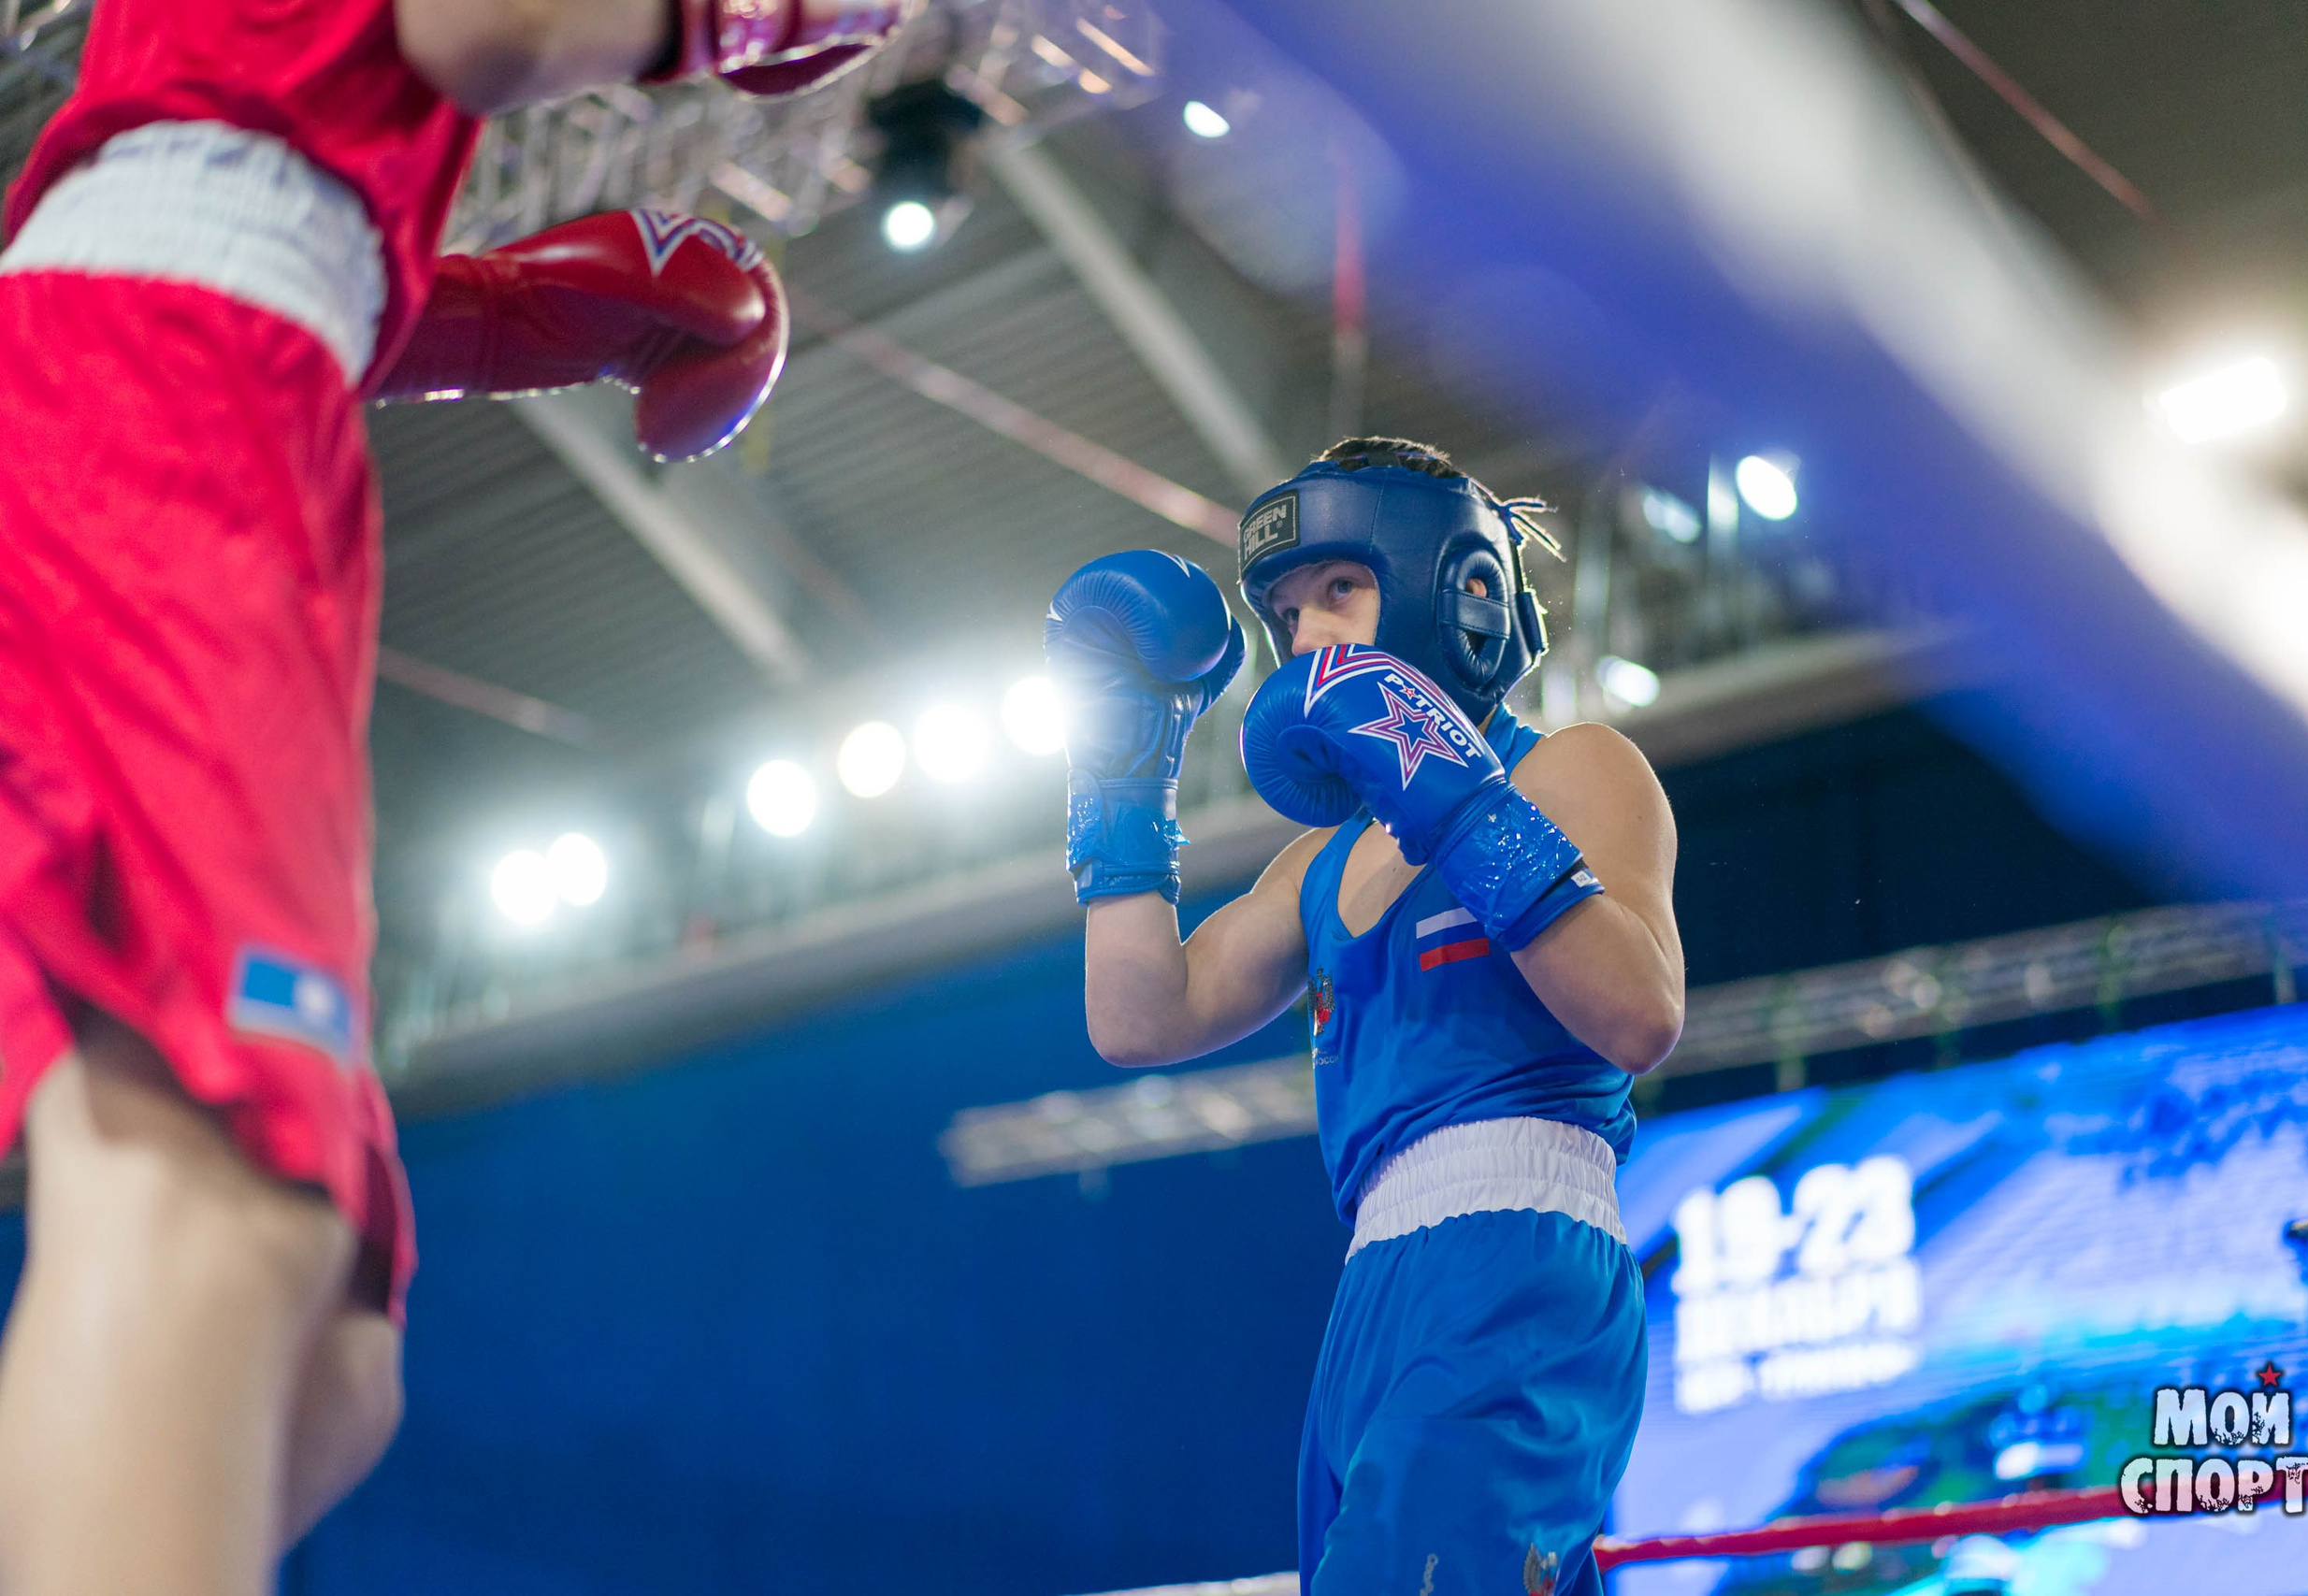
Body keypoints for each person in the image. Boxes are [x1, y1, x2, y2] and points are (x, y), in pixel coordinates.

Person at [0, 2, 905, 1591]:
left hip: (193, 371)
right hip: (160, 383)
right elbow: (489, 24)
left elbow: (254, 135)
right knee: (213, 1177)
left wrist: (514, 317)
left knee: (331, 1361)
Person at [1046, 437, 1685, 1595]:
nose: (1309, 639)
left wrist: (1445, 787)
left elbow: (1639, 1015)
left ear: (1460, 593)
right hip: (1371, 1291)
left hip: (1518, 1253)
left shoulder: (1571, 769)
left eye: (1340, 590)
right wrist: (1122, 767)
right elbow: (1138, 1020)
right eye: (1287, 615)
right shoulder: (1315, 867)